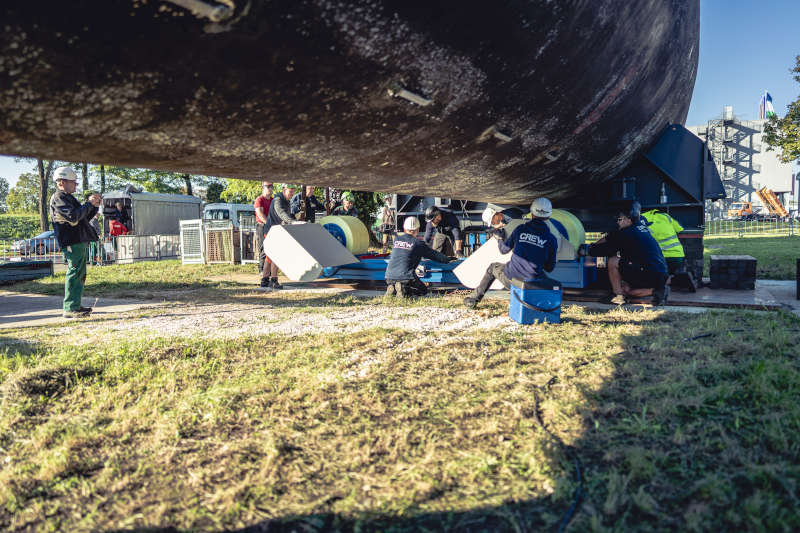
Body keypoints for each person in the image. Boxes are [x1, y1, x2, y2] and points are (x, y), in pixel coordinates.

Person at [464, 198, 558, 309]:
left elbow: (504, 250)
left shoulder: (520, 229)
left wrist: (499, 238)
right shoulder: (552, 239)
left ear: (532, 214)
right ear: (548, 216)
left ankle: (474, 299)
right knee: (543, 278)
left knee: (493, 268)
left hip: (512, 279)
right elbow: (549, 268)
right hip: (532, 283)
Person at [583, 202, 669, 305]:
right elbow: (610, 238)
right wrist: (594, 244)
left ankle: (618, 297)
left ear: (628, 219)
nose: (618, 222)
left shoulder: (626, 234)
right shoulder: (640, 225)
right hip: (657, 272)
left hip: (648, 273)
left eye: (620, 219)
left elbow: (603, 250)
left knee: (613, 261)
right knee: (627, 289)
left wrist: (586, 250)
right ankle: (656, 291)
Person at [49, 166, 102, 318]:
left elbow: (83, 217)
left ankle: (75, 305)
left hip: (77, 239)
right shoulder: (59, 197)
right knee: (74, 272)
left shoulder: (68, 198)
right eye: (74, 182)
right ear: (62, 182)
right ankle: (70, 308)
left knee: (79, 272)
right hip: (71, 240)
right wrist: (88, 204)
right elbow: (73, 216)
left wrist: (93, 206)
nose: (76, 185)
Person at [385, 216, 451, 297]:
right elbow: (435, 255)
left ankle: (393, 288)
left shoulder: (396, 239)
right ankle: (404, 289)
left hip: (389, 276)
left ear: (404, 228)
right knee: (423, 291)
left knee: (400, 281)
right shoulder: (418, 243)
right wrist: (448, 259)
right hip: (406, 277)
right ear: (418, 229)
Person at [262, 184, 297, 289]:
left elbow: (288, 215)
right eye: (290, 192)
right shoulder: (278, 199)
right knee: (275, 257)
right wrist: (292, 222)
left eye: (293, 192)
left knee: (269, 258)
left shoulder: (286, 200)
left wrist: (295, 218)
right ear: (284, 190)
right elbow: (281, 212)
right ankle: (273, 280)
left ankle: (264, 280)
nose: (292, 194)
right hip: (271, 231)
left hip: (277, 231)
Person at [640, 208, 685, 274]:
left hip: (660, 258)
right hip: (678, 256)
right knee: (667, 275)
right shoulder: (665, 216)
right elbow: (679, 229)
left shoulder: (641, 219)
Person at [254, 181, 278, 288]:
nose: (269, 188)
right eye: (267, 186)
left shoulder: (273, 200)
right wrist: (269, 224)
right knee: (264, 250)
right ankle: (263, 275)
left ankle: (268, 277)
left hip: (272, 227)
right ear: (262, 187)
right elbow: (260, 213)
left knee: (272, 251)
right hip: (262, 226)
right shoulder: (259, 200)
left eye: (271, 186)